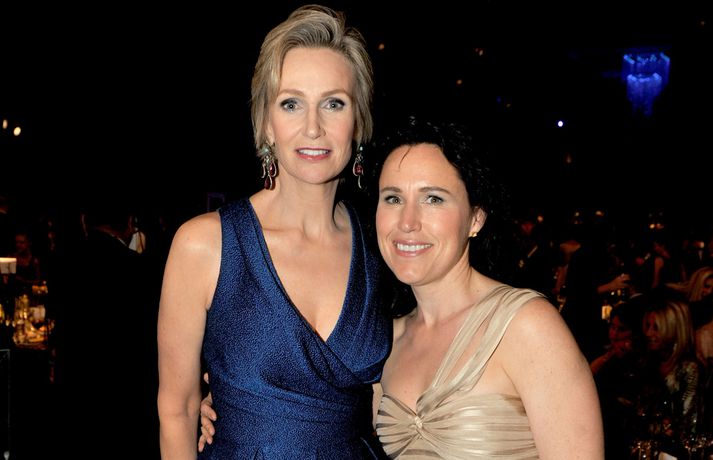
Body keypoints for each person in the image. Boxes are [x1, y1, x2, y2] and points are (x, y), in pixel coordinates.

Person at [200, 118, 605, 458]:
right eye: (393, 198)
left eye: (433, 199)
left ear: (476, 218)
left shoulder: (526, 326)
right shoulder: (385, 343)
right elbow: (319, 420)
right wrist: (235, 404)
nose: (408, 222)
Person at [157, 5, 391, 459]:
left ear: (358, 122)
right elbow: (177, 411)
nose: (313, 127)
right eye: (291, 103)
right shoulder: (205, 244)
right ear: (266, 123)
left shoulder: (382, 245)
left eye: (334, 103)